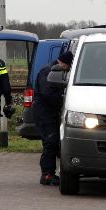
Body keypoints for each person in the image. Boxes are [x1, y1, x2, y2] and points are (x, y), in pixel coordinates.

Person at [33, 51, 74, 185]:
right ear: (63, 63)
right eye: (68, 66)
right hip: (44, 113)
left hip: (48, 112)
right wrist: (62, 104)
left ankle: (48, 173)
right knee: (51, 142)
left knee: (52, 142)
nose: (68, 69)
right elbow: (48, 94)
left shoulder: (52, 70)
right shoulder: (49, 72)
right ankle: (47, 174)